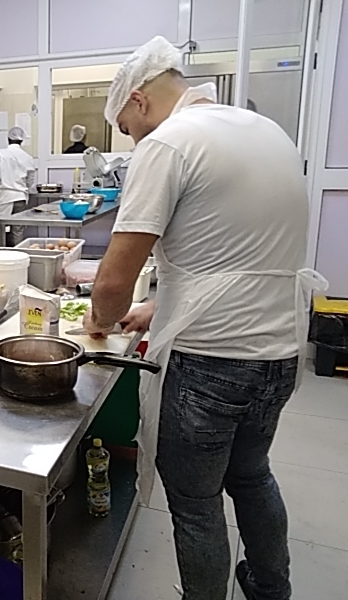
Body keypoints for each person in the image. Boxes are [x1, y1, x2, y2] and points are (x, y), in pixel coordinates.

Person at [81, 36, 326, 600]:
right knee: (251, 474)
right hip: (280, 352)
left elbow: (112, 284)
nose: (133, 140)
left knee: (195, 504)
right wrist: (157, 308)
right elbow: (237, 254)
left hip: (210, 364)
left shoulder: (168, 143)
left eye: (127, 128)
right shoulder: (265, 131)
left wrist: (101, 320)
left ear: (139, 100)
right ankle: (270, 587)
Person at [0, 126, 35, 246]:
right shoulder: (28, 157)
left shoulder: (1, 154)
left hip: (5, 198)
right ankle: (18, 255)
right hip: (20, 198)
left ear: (8, 139)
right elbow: (30, 181)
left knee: (0, 229)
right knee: (17, 231)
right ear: (22, 140)